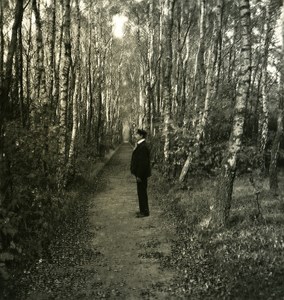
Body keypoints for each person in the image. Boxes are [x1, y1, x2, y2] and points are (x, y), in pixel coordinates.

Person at [130, 129, 151, 218]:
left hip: (141, 174)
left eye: (137, 134)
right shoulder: (140, 145)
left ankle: (145, 212)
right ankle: (142, 210)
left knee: (142, 192)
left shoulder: (143, 146)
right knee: (141, 192)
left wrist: (139, 175)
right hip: (140, 174)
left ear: (141, 136)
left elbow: (143, 163)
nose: (135, 136)